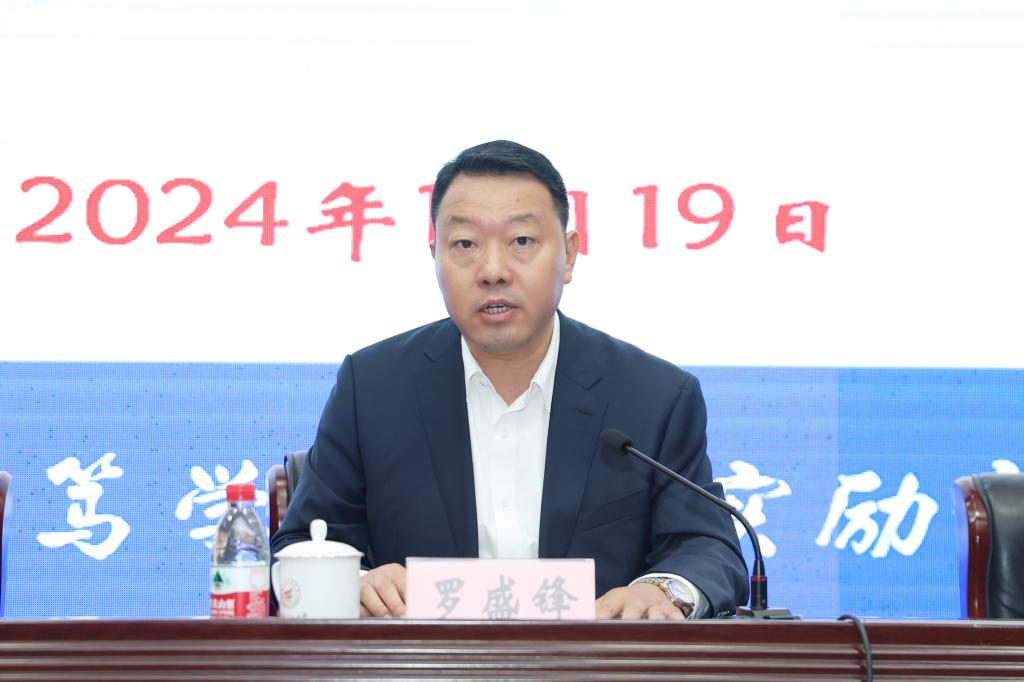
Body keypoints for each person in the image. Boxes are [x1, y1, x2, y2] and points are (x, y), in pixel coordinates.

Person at [271, 140, 748, 619]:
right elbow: (302, 543)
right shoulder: (373, 388)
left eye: (521, 241)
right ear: (435, 256)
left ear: (569, 255)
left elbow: (706, 548)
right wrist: (356, 583)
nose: (493, 271)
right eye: (465, 245)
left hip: (594, 662)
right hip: (424, 660)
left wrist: (664, 592)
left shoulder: (653, 396)